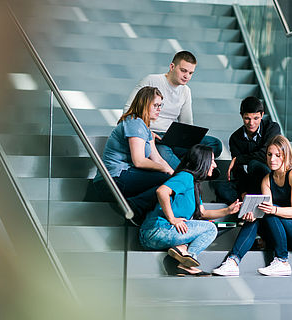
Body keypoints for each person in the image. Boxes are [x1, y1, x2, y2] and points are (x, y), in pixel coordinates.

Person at [212, 135, 292, 277]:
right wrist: (252, 215)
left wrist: (270, 209)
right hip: (285, 234)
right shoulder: (267, 180)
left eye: (277, 155)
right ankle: (233, 261)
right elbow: (266, 211)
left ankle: (282, 261)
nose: (272, 159)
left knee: (268, 210)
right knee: (260, 212)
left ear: (286, 156)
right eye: (269, 154)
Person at [139, 145, 241, 276]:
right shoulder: (186, 176)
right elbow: (162, 191)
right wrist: (172, 219)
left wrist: (228, 210)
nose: (215, 165)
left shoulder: (194, 184)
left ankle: (181, 254)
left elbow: (203, 213)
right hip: (156, 231)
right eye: (212, 161)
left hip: (160, 234)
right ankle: (187, 261)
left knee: (212, 226)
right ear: (202, 161)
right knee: (210, 229)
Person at [124, 51, 222, 170]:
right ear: (172, 67)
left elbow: (186, 124)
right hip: (153, 135)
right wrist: (147, 132)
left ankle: (185, 168)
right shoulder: (151, 80)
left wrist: (188, 138)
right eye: (183, 71)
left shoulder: (186, 91)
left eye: (191, 73)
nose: (187, 76)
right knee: (168, 158)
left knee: (215, 144)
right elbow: (128, 111)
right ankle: (185, 171)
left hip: (173, 136)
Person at [93, 86, 174, 224]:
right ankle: (134, 207)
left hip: (125, 175)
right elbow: (139, 161)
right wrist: (164, 170)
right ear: (144, 104)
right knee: (164, 179)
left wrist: (174, 174)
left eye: (160, 105)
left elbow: (158, 158)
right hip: (112, 179)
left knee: (171, 180)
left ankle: (138, 207)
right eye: (155, 105)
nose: (159, 109)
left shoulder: (145, 127)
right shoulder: (134, 122)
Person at [215, 96, 281, 204]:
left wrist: (238, 159)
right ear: (241, 115)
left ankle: (257, 201)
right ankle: (251, 200)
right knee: (221, 188)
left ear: (262, 115)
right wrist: (243, 191)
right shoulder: (235, 138)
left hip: (270, 178)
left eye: (256, 118)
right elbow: (238, 170)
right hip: (251, 181)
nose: (251, 123)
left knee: (254, 164)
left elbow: (264, 154)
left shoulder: (272, 128)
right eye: (247, 118)